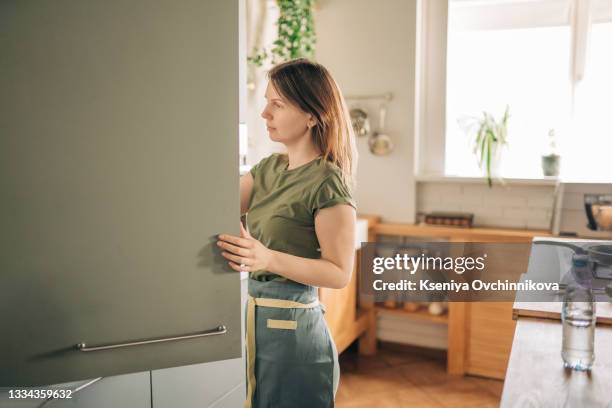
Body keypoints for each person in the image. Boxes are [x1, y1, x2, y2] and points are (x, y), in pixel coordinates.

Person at [217, 58, 357, 407]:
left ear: (312, 115)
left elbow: (339, 273)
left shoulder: (327, 181)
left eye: (276, 104)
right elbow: (214, 208)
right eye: (266, 102)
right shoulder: (268, 169)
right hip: (257, 322)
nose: (265, 113)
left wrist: (266, 257)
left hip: (297, 336)